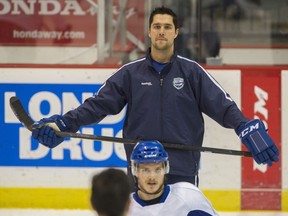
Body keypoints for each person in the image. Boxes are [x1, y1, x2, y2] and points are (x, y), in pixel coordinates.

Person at [31, 6, 279, 186]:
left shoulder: (192, 72)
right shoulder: (129, 74)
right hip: (142, 167)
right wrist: (64, 123)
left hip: (182, 169)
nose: (162, 31)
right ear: (149, 31)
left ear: (176, 32)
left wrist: (245, 127)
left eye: (167, 27)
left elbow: (223, 107)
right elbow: (97, 106)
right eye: (157, 27)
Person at [127, 140, 219, 216]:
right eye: (145, 170)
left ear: (165, 169)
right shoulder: (125, 208)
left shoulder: (188, 197)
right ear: (135, 171)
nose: (152, 176)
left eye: (158, 170)